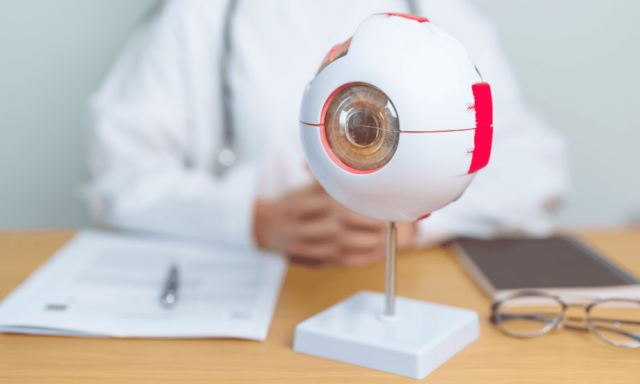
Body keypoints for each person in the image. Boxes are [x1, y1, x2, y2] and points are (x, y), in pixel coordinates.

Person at [85, 0, 567, 269]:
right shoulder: (198, 16)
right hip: (250, 293)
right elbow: (119, 175)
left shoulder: (440, 16)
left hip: (401, 283)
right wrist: (249, 217)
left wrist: (415, 221)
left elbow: (534, 166)